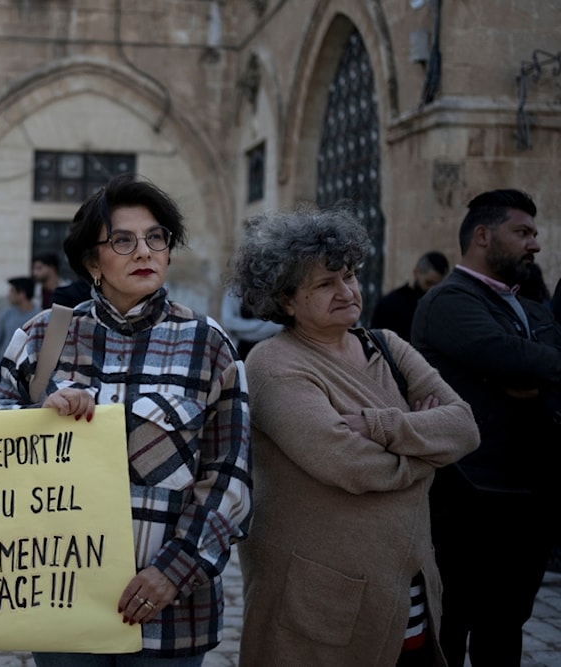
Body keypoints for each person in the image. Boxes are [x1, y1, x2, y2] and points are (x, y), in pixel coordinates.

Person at [0, 173, 252, 666]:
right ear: (92, 261)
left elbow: (228, 477)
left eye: (156, 239)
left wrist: (174, 571)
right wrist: (38, 420)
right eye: (123, 241)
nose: (145, 252)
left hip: (168, 615)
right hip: (60, 599)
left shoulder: (208, 344)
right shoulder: (40, 337)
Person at [232, 206, 479, 666]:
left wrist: (385, 427)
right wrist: (429, 453)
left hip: (410, 591)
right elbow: (345, 462)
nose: (347, 292)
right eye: (325, 284)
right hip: (319, 603)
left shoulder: (387, 344)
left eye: (348, 277)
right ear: (285, 299)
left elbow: (464, 426)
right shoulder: (272, 363)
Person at [411, 189, 561, 667]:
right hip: (468, 493)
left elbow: (544, 365)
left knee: (506, 624)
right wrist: (528, 372)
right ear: (482, 235)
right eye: (522, 232)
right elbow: (517, 359)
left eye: (534, 234)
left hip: (527, 495)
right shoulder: (448, 302)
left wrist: (537, 376)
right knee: (452, 623)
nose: (534, 245)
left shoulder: (530, 306)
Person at [370, 250, 449, 342]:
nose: (432, 289)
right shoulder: (390, 304)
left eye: (438, 285)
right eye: (429, 283)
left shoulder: (442, 306)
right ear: (416, 273)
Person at [0, 276, 38, 376]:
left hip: (28, 374)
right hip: (5, 372)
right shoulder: (6, 315)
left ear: (22, 294)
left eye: (12, 291)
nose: (8, 295)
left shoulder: (39, 317)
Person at [219, 288, 283, 360]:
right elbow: (228, 322)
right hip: (240, 351)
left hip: (268, 352)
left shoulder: (273, 291)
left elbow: (276, 326)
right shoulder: (233, 292)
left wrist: (241, 331)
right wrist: (258, 324)